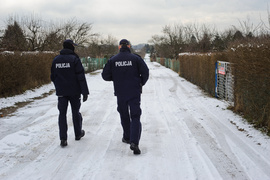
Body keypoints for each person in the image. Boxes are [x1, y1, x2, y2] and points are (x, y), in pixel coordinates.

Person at [101, 39, 149, 155]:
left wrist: (117, 78)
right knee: (135, 115)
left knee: (124, 114)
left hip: (120, 92)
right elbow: (145, 72)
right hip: (134, 91)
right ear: (129, 46)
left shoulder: (113, 60)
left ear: (119, 47)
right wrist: (140, 83)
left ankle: (127, 137)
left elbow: (105, 75)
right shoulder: (136, 58)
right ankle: (134, 142)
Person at [51, 39, 89, 147]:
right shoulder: (74, 59)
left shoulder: (56, 60)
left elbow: (52, 76)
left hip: (62, 92)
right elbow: (80, 77)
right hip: (74, 92)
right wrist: (84, 92)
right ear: (71, 46)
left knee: (62, 114)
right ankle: (78, 134)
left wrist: (59, 86)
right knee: (75, 112)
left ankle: (63, 139)